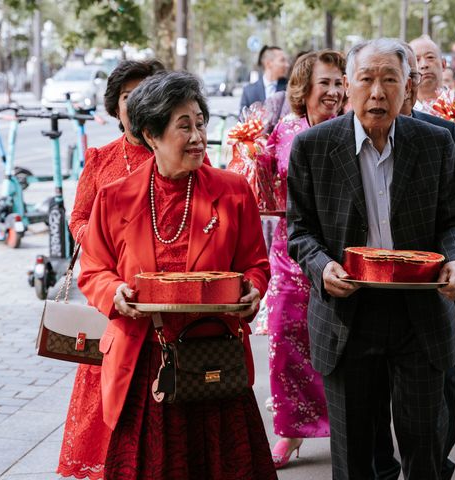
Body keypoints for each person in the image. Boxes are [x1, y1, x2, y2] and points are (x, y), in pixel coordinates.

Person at [78, 71, 276, 480]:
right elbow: (93, 268)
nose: (198, 136)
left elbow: (256, 264)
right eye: (183, 126)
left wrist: (252, 290)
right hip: (144, 359)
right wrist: (114, 293)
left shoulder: (234, 191)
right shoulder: (115, 197)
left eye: (200, 123)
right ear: (151, 134)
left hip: (213, 356)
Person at [286, 38, 455, 480]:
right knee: (352, 456)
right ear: (348, 86)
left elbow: (454, 219)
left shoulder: (436, 142)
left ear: (408, 87)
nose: (378, 91)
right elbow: (300, 231)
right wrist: (321, 266)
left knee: (425, 447)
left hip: (419, 309)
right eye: (367, 79)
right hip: (348, 312)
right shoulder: (312, 147)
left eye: (390, 79)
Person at [370, 40, 455, 480]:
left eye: (399, 77)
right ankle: (385, 467)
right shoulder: (343, 139)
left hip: (429, 290)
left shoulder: (442, 134)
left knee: (440, 387)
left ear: (410, 84)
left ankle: (435, 462)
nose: (388, 89)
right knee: (372, 400)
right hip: (368, 297)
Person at [58, 58, 165, 480]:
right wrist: (109, 245)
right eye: (126, 96)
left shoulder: (177, 150)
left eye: (144, 93)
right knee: (105, 386)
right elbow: (79, 218)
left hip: (162, 298)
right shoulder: (100, 159)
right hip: (111, 294)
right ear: (115, 105)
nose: (135, 102)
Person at [264, 49, 346, 468]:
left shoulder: (355, 130)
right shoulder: (284, 130)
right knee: (284, 341)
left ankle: (346, 427)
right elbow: (265, 186)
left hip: (340, 253)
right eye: (325, 83)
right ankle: (291, 431)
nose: (333, 91)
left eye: (338, 82)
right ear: (304, 88)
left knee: (339, 345)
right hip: (289, 255)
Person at [410, 35, 455, 117]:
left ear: (443, 64)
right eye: (417, 60)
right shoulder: (401, 110)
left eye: (430, 57)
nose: (424, 65)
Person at [240, 45, 290, 112]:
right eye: (282, 60)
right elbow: (242, 120)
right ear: (268, 63)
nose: (287, 65)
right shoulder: (249, 91)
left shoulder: (290, 87)